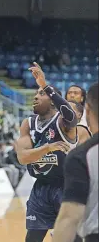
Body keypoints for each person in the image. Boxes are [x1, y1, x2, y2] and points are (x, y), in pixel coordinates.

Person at [15, 62, 78, 242]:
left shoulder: (63, 122)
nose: (35, 96)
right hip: (41, 187)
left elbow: (72, 117)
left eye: (40, 94)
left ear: (52, 99)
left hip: (65, 186)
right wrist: (47, 148)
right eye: (36, 93)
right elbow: (23, 157)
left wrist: (45, 85)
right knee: (32, 238)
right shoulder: (28, 123)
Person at [53, 82, 98, 242]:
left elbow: (69, 218)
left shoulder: (84, 152)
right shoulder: (58, 121)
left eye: (76, 93)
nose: (72, 95)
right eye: (70, 92)